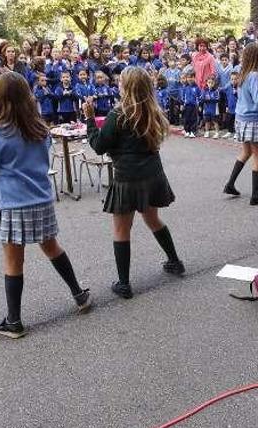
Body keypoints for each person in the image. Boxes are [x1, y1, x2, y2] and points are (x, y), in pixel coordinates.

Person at [0, 71, 91, 339]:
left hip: (14, 205)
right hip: (42, 200)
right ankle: (79, 294)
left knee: (14, 261)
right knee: (52, 247)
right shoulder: (39, 128)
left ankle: (14, 321)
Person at [83, 66, 184, 299]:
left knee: (121, 229)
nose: (117, 85)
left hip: (127, 178)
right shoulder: (152, 111)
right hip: (152, 175)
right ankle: (175, 261)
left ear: (126, 88)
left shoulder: (118, 115)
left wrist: (89, 120)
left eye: (120, 83)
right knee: (153, 219)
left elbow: (99, 146)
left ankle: (124, 283)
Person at [224, 42, 258, 205]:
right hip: (252, 119)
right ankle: (255, 195)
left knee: (246, 152)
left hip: (241, 117)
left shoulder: (242, 72)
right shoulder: (253, 75)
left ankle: (230, 184)